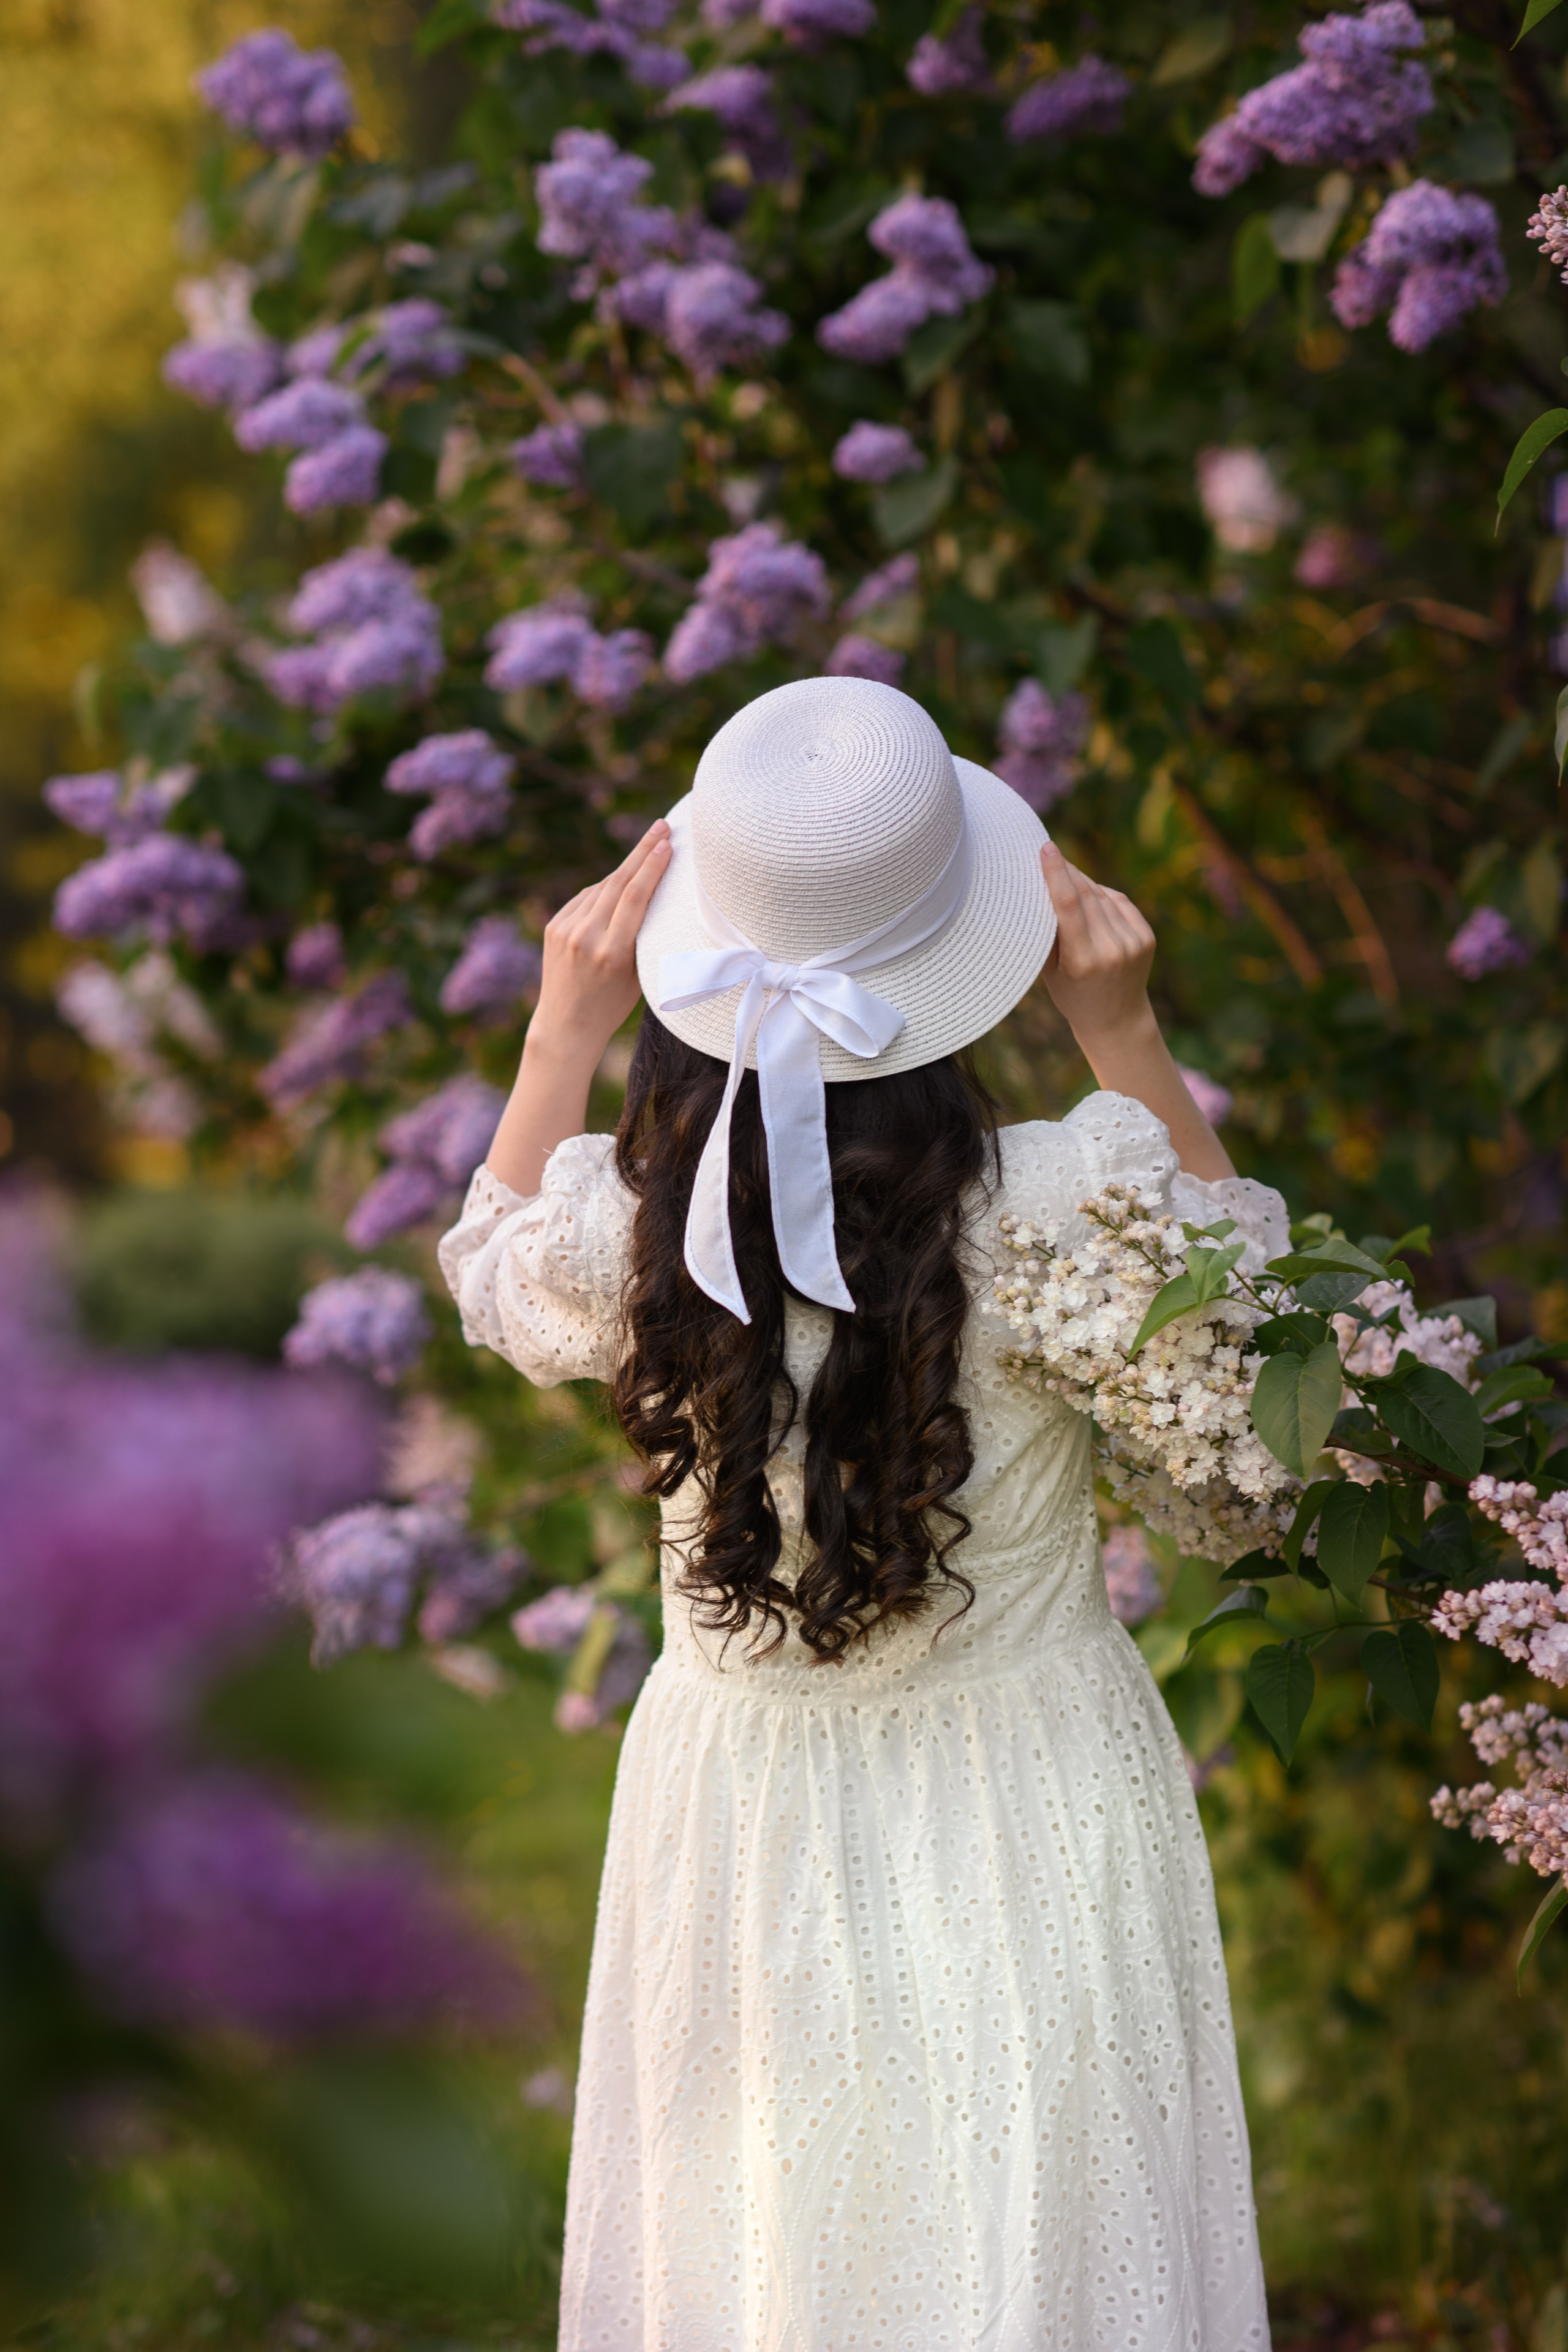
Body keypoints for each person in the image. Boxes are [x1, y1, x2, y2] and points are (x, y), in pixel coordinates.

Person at [440, 676, 1277, 2351]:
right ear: (970, 953)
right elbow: (1257, 1379)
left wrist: (560, 1026)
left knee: (772, 2251)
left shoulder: (640, 1236)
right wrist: (1127, 1036)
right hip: (1035, 1790)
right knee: (1035, 2237)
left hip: (740, 1806)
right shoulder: (1061, 1208)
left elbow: (489, 1258)